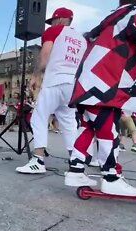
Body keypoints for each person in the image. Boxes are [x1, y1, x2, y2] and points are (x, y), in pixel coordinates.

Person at [66, 0, 136, 196]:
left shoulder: (111, 22)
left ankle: (76, 170)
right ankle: (110, 176)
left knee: (87, 127)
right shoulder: (134, 14)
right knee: (108, 131)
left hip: (89, 84)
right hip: (105, 84)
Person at [16, 7, 87, 175]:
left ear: (61, 19)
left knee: (39, 116)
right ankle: (76, 160)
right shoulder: (82, 39)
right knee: (69, 121)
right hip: (74, 83)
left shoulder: (53, 32)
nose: (52, 23)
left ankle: (38, 160)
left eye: (54, 20)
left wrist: (35, 75)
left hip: (55, 80)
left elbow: (45, 53)